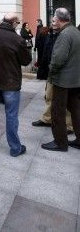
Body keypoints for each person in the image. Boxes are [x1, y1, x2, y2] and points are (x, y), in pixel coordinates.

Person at [0, 14, 32, 156]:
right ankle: (15, 147)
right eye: (17, 22)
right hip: (10, 82)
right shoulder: (17, 39)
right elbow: (26, 60)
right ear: (14, 23)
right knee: (11, 114)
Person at [41, 8, 80, 151]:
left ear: (58, 19)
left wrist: (51, 70)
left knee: (57, 111)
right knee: (76, 110)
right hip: (75, 80)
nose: (53, 21)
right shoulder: (75, 31)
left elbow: (58, 60)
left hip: (62, 81)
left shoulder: (64, 34)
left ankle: (60, 142)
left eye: (54, 19)